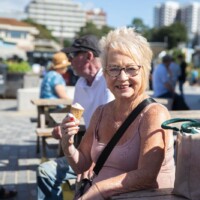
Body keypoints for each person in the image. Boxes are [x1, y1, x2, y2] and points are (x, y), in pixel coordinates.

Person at [60, 27, 175, 199]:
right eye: (113, 69)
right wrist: (67, 142)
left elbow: (147, 176)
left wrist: (98, 190)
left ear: (145, 71)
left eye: (131, 69)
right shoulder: (100, 113)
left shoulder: (153, 114)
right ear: (105, 73)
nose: (122, 78)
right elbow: (81, 165)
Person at [37, 35, 114, 200]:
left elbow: (113, 129)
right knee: (45, 172)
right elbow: (74, 116)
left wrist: (93, 165)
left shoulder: (109, 82)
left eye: (72, 56)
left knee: (49, 172)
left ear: (88, 56)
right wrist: (64, 127)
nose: (69, 61)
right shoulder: (81, 83)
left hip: (110, 157)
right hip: (88, 154)